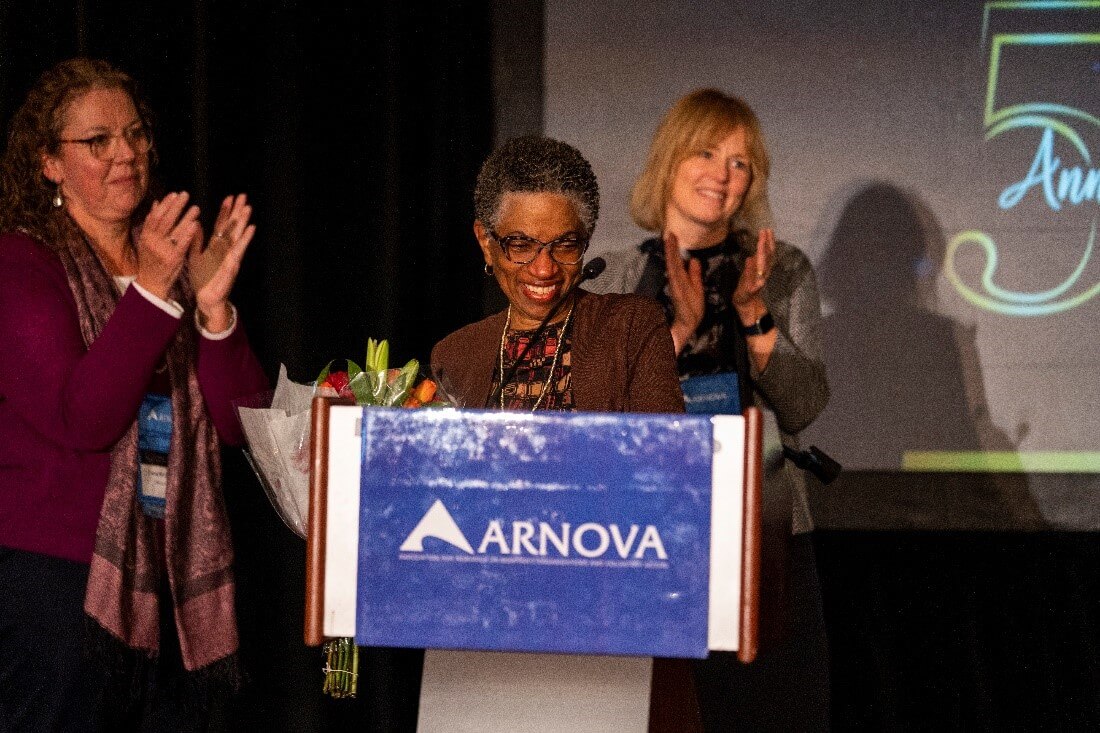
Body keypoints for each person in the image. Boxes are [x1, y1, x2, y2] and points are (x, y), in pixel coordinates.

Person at [0, 58, 269, 730]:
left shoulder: (172, 261)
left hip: (173, 577)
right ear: (49, 163)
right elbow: (82, 419)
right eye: (98, 141)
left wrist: (210, 308)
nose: (126, 152)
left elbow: (242, 427)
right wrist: (150, 293)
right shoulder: (21, 264)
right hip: (62, 585)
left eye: (136, 134)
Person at [431, 136, 702, 729]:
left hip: (608, 633)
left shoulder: (629, 328)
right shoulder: (458, 354)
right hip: (482, 643)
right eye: (520, 245)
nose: (544, 269)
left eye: (565, 245)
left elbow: (669, 476)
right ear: (486, 243)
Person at [587, 89, 832, 730]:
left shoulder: (782, 271)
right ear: (670, 161)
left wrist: (754, 315)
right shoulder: (609, 276)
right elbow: (592, 411)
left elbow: (804, 406)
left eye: (740, 162)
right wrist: (673, 334)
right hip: (642, 537)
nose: (723, 174)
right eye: (706, 152)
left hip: (760, 536)